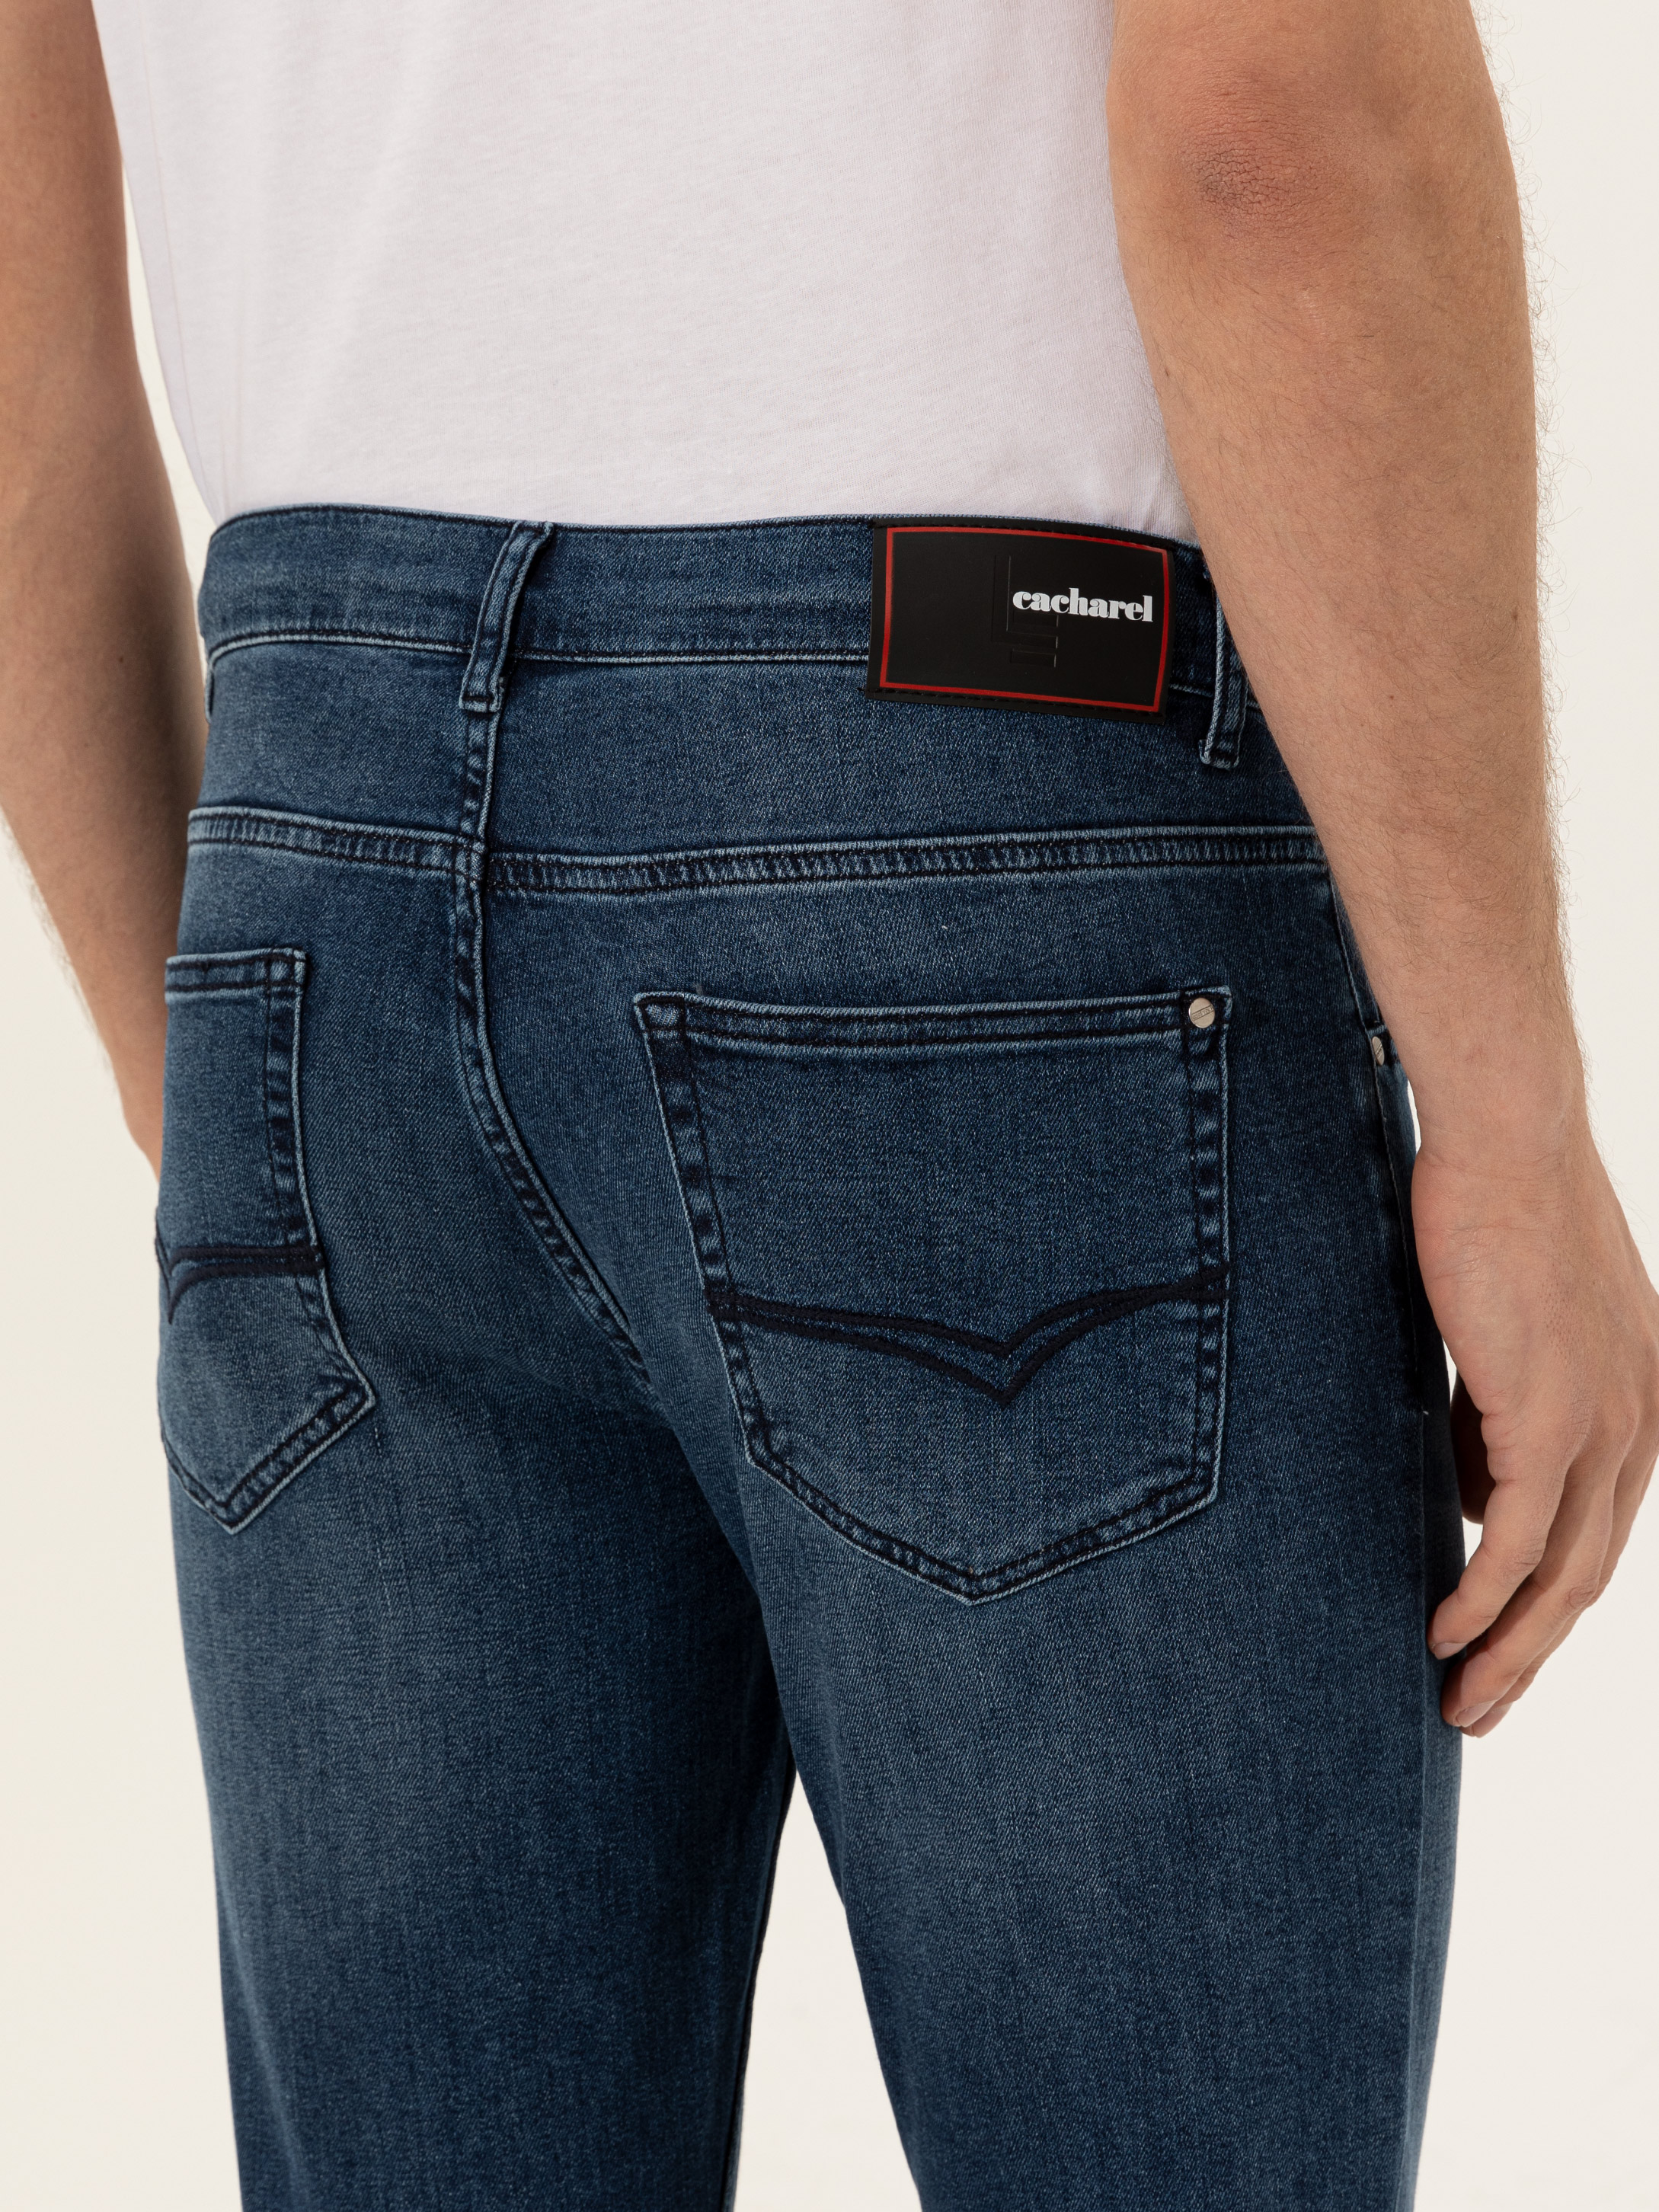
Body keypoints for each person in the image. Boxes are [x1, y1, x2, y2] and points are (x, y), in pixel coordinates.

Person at [2, 0, 1654, 2204]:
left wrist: (221, 1067)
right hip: (996, 800)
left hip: (318, 829)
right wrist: (1512, 1116)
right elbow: (1275, 116)